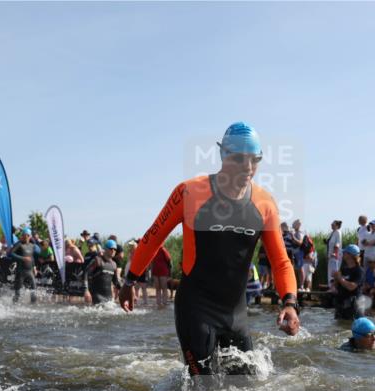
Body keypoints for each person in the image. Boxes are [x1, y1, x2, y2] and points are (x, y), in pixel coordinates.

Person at [118, 122, 300, 376]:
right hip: (196, 309)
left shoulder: (265, 203)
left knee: (245, 390)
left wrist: (290, 303)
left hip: (236, 314)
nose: (248, 167)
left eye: (254, 159)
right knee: (202, 390)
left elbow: (280, 261)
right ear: (224, 155)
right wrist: (130, 281)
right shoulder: (190, 192)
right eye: (239, 159)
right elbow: (153, 237)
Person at [9, 227, 41, 304]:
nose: (23, 236)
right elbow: (11, 253)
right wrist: (23, 258)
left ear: (29, 236)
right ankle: (13, 307)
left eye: (25, 235)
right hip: (20, 271)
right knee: (17, 294)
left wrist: (34, 267)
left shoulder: (32, 246)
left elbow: (32, 257)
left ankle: (32, 308)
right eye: (22, 235)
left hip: (30, 271)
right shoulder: (19, 244)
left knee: (34, 292)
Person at [333, 244, 364, 320]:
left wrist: (340, 278)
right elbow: (336, 286)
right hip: (341, 304)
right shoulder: (343, 269)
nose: (343, 254)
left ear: (350, 255)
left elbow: (351, 287)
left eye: (345, 252)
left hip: (353, 306)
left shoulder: (359, 271)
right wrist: (336, 278)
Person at [86, 238, 120, 305]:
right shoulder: (98, 260)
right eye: (111, 249)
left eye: (115, 249)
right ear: (106, 249)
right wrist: (86, 291)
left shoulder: (114, 264)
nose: (113, 251)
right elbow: (86, 274)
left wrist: (123, 291)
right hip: (96, 297)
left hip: (109, 299)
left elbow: (116, 281)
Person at [150, 244, 172, 308]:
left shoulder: (163, 249)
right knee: (157, 288)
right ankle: (158, 303)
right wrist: (151, 273)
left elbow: (169, 260)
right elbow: (151, 262)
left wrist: (170, 273)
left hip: (163, 271)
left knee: (164, 287)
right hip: (155, 271)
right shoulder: (153, 250)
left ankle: (165, 302)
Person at [326, 219, 343, 291]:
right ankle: (331, 287)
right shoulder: (332, 233)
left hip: (335, 256)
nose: (331, 225)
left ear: (337, 226)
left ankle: (335, 287)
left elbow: (337, 244)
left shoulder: (338, 232)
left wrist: (335, 253)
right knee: (330, 272)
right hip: (330, 255)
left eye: (333, 224)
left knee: (334, 271)